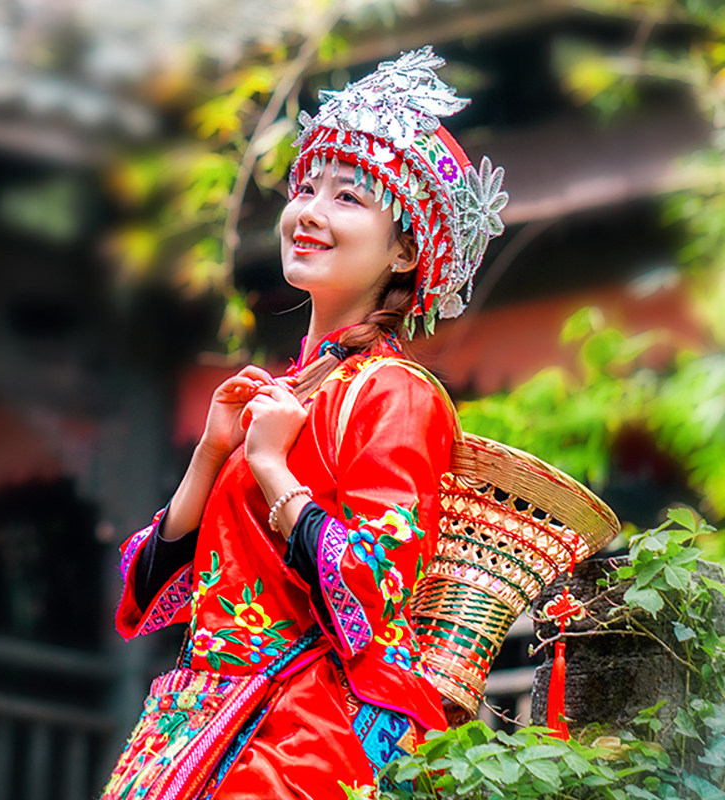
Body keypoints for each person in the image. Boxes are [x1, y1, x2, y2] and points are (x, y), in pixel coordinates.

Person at [103, 46, 507, 800]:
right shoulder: (282, 395)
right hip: (197, 725)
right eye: (307, 187)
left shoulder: (397, 393)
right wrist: (212, 454)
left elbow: (369, 598)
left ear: (405, 251)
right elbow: (146, 594)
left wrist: (271, 471)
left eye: (349, 197)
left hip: (305, 739)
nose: (310, 213)